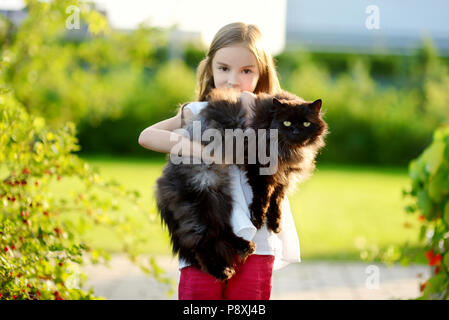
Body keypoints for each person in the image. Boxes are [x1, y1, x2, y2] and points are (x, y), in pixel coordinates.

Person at [138, 22, 301, 300]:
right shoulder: (199, 111)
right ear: (210, 70)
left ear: (261, 74)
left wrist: (254, 109)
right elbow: (147, 136)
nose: (233, 80)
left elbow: (287, 156)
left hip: (256, 236)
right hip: (205, 235)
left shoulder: (272, 115)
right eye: (224, 68)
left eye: (246, 71)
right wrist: (200, 150)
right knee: (199, 297)